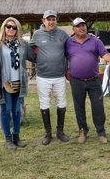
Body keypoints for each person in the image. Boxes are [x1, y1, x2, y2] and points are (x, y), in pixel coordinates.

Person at [65, 17, 110, 144]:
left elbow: (104, 54)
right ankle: (82, 131)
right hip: (76, 81)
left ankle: (101, 132)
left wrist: (109, 59)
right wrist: (65, 71)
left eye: (83, 25)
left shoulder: (95, 41)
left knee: (98, 107)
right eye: (78, 26)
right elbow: (63, 57)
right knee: (79, 107)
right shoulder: (68, 42)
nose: (82, 28)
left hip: (94, 80)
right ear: (73, 29)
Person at [29, 10, 69, 145]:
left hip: (59, 75)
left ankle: (60, 132)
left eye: (53, 19)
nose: (51, 22)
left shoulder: (63, 34)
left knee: (62, 103)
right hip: (43, 76)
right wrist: (38, 60)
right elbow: (29, 49)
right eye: (48, 19)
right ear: (43, 21)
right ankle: (48, 133)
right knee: (44, 104)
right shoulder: (37, 34)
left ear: (57, 20)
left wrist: (90, 36)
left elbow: (72, 46)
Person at [0, 17, 36, 150]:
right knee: (5, 110)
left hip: (19, 82)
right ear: (4, 27)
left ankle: (17, 136)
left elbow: (34, 56)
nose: (11, 29)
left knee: (16, 110)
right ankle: (8, 138)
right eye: (8, 26)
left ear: (18, 29)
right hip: (3, 83)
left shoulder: (22, 45)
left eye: (14, 27)